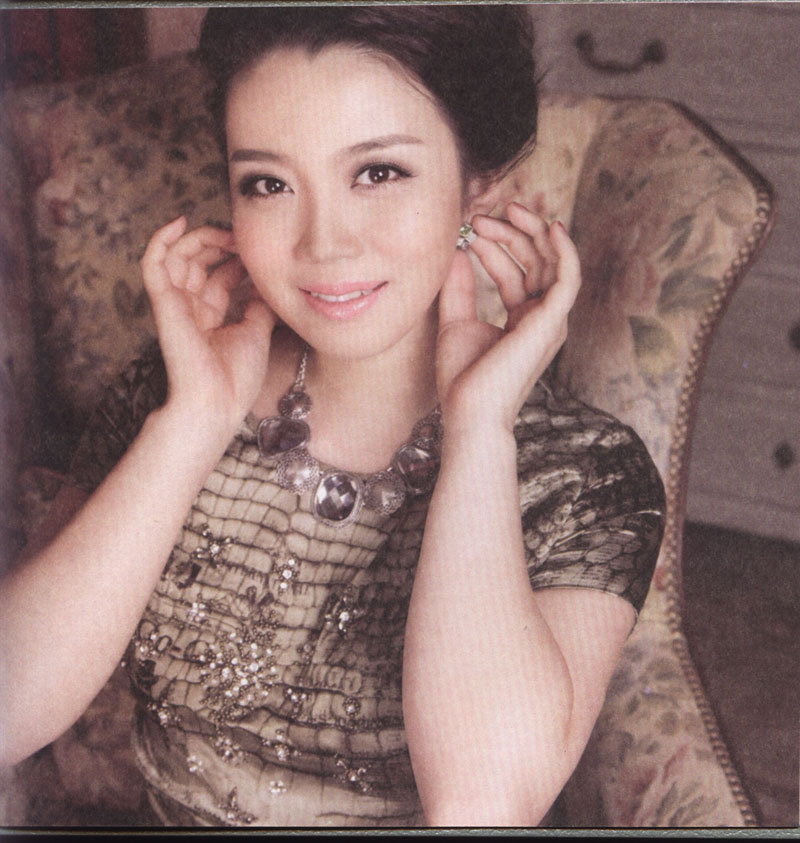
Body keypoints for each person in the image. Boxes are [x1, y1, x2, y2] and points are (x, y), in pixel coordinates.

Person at [0, 5, 665, 828]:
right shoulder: (171, 396)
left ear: (479, 183)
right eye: (269, 184)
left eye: (378, 172)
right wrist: (193, 420)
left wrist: (480, 430)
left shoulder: (584, 473)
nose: (324, 244)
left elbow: (480, 804)